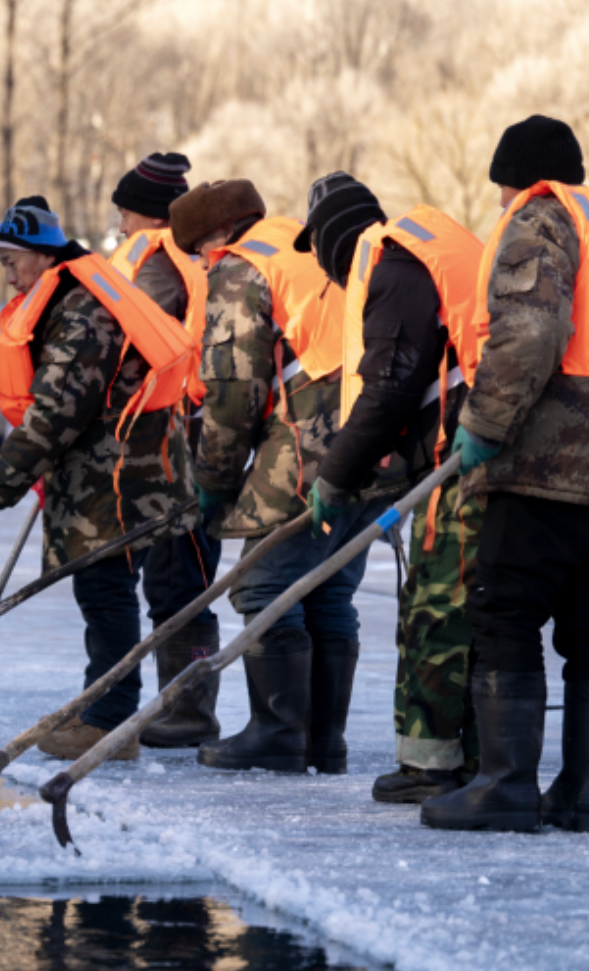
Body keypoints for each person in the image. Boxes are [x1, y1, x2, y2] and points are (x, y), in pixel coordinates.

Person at [422, 115, 589, 834]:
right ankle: (582, 796)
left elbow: (530, 331)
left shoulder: (541, 218)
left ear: (518, 177)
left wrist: (482, 426)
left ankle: (505, 784)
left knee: (505, 614)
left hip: (545, 463)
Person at [172, 179, 400, 776]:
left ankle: (278, 733)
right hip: (372, 445)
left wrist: (214, 480)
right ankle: (324, 739)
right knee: (327, 589)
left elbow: (231, 391)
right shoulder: (299, 251)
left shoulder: (241, 272)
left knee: (265, 586)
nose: (201, 265)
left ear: (218, 236)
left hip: (308, 451)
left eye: (198, 252)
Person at [0, 197, 197, 758]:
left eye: (12, 262)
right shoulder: (69, 299)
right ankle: (100, 704)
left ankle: (111, 721)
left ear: (44, 257)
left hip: (121, 480)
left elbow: (56, 413)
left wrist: (0, 480)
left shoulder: (79, 311)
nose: (8, 277)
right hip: (108, 475)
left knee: (106, 592)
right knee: (103, 592)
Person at [293, 173, 487, 804]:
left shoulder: (395, 266)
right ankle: (473, 762)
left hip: (463, 458)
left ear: (330, 238)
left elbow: (390, 388)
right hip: (471, 447)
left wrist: (335, 475)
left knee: (439, 607)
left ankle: (432, 768)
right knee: (469, 609)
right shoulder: (419, 251)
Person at [107, 154, 225, 750]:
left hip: (177, 438)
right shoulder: (189, 260)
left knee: (180, 575)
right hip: (182, 431)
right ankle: (178, 704)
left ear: (142, 215)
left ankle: (188, 711)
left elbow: (135, 347)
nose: (121, 228)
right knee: (177, 573)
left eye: (123, 214)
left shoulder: (154, 265)